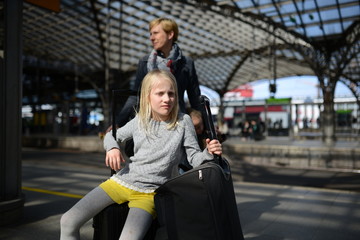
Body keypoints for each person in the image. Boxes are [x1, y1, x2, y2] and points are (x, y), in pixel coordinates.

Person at [60, 69, 222, 240]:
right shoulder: (140, 120)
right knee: (68, 221)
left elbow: (194, 158)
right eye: (160, 93)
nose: (167, 99)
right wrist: (113, 148)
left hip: (150, 194)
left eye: (171, 93)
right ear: (147, 97)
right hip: (121, 182)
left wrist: (208, 153)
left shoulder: (183, 121)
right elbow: (111, 135)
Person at [115, 17, 201, 128]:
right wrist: (118, 123)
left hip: (178, 122)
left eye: (155, 33)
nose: (151, 38)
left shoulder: (186, 63)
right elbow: (136, 96)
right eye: (150, 34)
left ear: (170, 35)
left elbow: (195, 98)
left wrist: (208, 124)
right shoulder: (145, 62)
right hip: (149, 122)